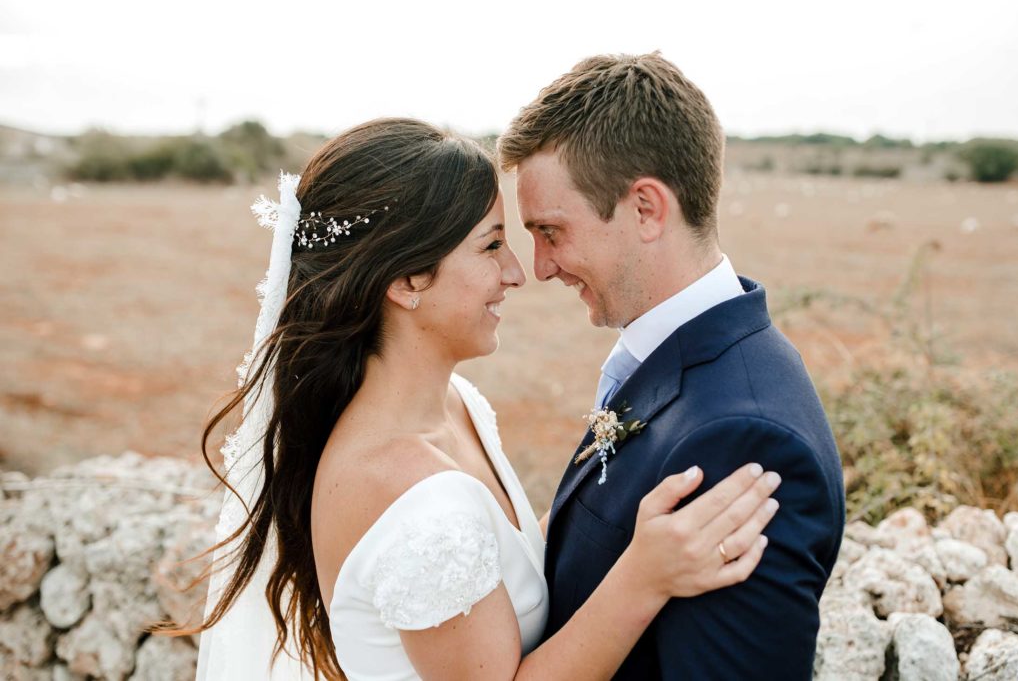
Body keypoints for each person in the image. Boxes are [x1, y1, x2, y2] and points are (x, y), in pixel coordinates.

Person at [185, 118, 783, 680]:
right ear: (407, 280)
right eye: (491, 245)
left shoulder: (460, 405)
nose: (519, 273)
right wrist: (646, 578)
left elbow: (507, 558)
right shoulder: (401, 492)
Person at [497, 53, 846, 679]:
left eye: (550, 231)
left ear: (646, 209)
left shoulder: (741, 440)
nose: (540, 266)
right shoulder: (680, 356)